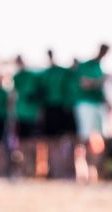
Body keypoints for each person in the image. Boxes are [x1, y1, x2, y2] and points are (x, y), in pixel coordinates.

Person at [73, 44, 110, 183]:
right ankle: (81, 171)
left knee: (99, 139)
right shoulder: (86, 66)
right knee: (83, 139)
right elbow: (85, 84)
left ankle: (93, 170)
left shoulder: (99, 67)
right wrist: (100, 81)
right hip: (86, 104)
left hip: (98, 105)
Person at [40, 50, 77, 179]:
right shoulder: (46, 74)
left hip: (62, 109)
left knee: (62, 143)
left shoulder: (63, 73)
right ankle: (54, 171)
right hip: (51, 109)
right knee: (52, 143)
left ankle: (61, 171)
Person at [12, 56, 44, 178]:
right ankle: (26, 169)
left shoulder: (34, 77)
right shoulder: (17, 77)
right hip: (21, 115)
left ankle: (35, 169)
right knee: (23, 144)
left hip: (33, 115)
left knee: (34, 144)